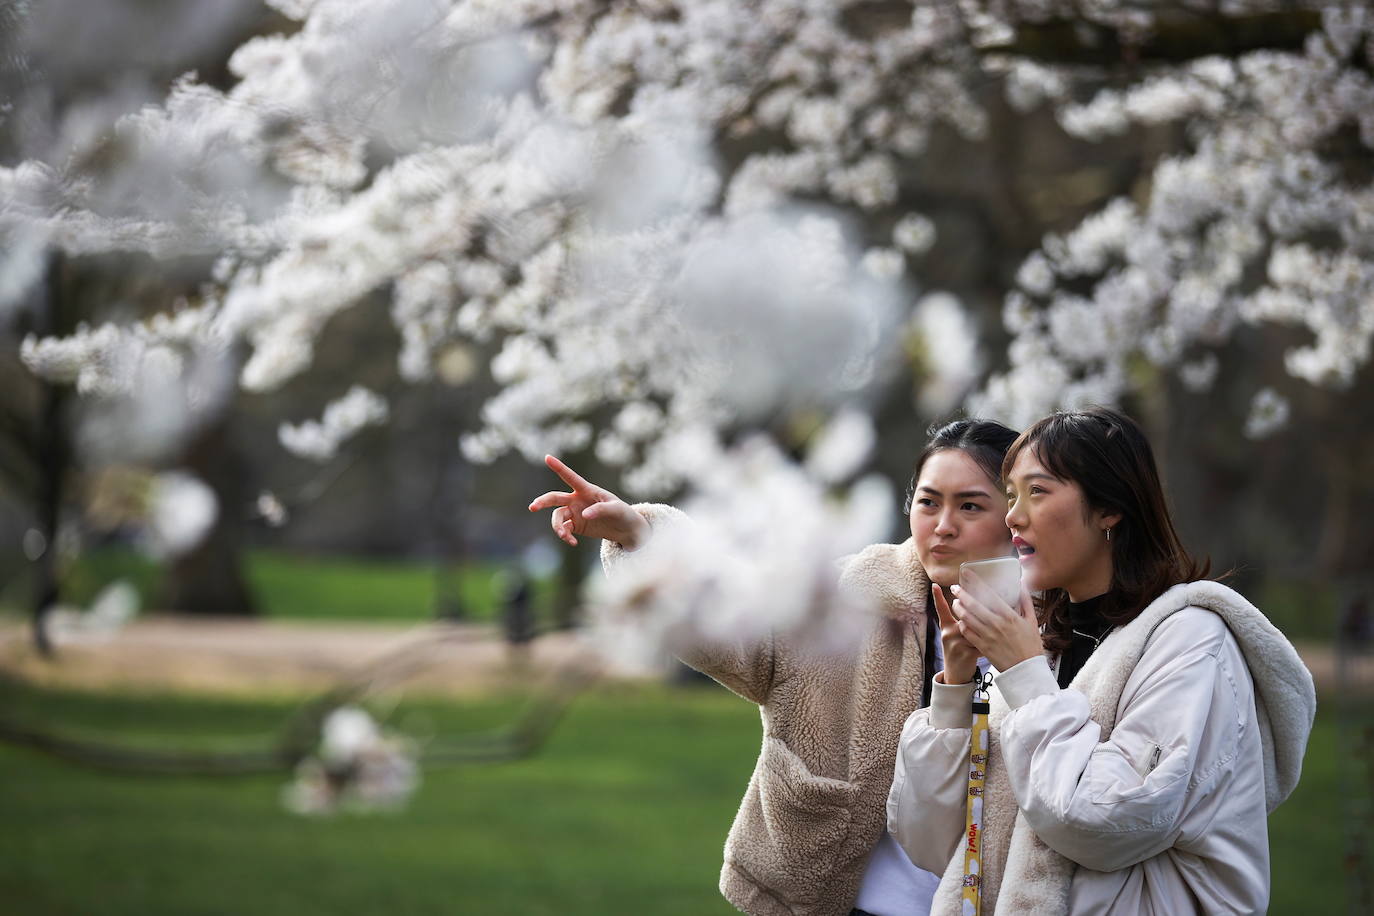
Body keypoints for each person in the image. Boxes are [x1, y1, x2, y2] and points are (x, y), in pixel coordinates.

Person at [528, 419, 1018, 916]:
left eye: (971, 506)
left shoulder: (1063, 628)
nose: (943, 525)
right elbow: (737, 629)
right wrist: (642, 538)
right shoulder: (852, 598)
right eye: (929, 502)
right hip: (843, 900)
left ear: (1016, 517)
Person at [887, 407, 1316, 914]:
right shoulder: (1044, 643)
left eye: (1038, 491)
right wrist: (957, 687)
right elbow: (936, 845)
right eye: (1010, 496)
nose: (1013, 517)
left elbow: (1104, 822)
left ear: (1110, 508)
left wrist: (1025, 675)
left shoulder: (1192, 642)